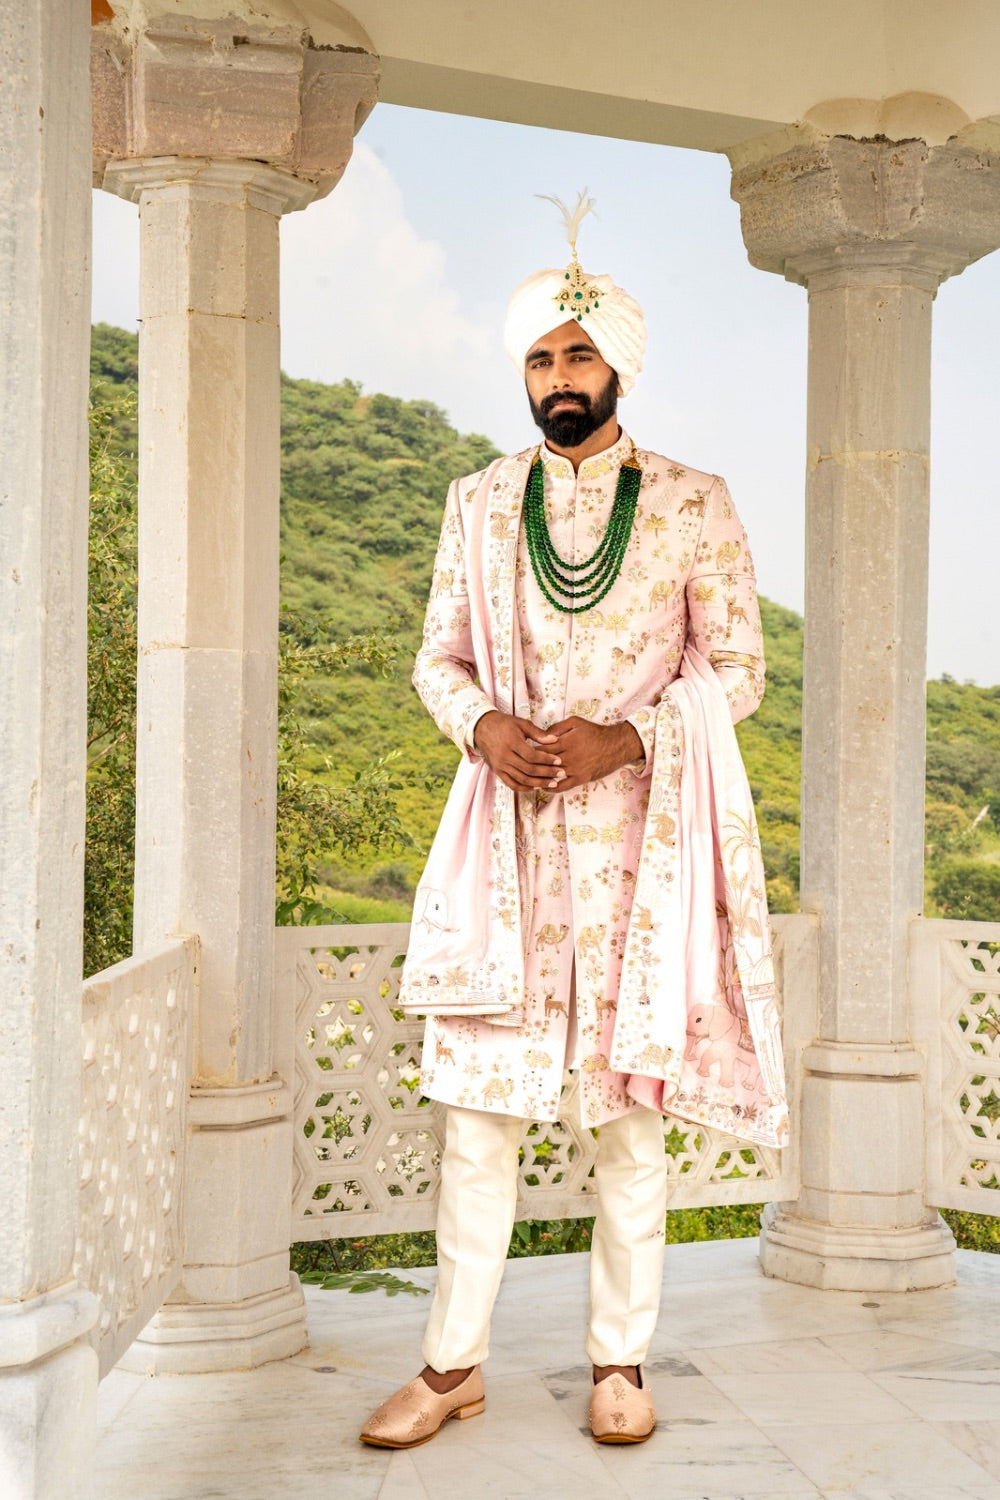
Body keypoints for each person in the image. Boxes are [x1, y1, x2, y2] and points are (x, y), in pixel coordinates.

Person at [359, 194, 787, 1451]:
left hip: (636, 862)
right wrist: (481, 727)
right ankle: (450, 1369)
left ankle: (622, 1361)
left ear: (619, 368)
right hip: (503, 853)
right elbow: (438, 659)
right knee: (478, 1127)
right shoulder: (480, 504)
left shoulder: (693, 502)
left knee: (627, 1123)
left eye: (579, 354)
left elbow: (742, 669)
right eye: (541, 356)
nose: (558, 376)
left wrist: (630, 736)